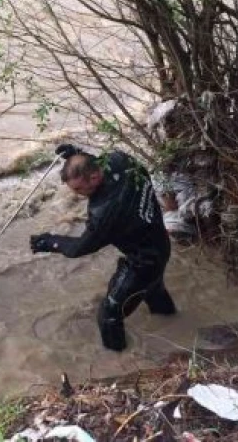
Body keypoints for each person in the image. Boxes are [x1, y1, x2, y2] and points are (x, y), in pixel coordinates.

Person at [30, 144, 177, 351]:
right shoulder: (120, 160)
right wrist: (76, 153)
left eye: (79, 189)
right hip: (160, 243)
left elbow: (80, 247)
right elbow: (94, 160)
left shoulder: (105, 211)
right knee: (152, 288)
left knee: (109, 314)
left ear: (95, 178)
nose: (78, 194)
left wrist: (50, 241)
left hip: (143, 261)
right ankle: (175, 325)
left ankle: (118, 360)